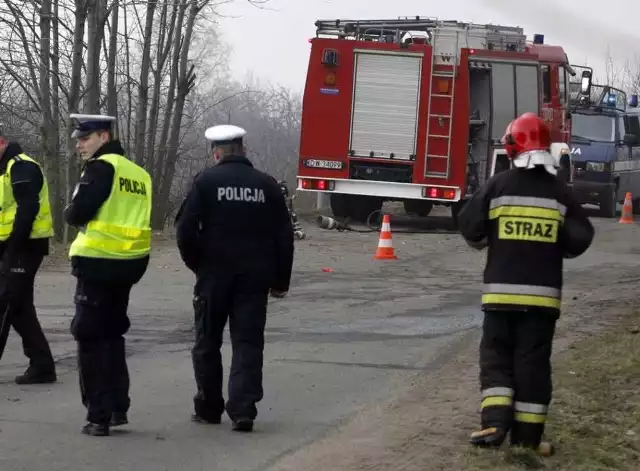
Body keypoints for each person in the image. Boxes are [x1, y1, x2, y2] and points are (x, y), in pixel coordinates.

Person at [457, 112, 594, 455]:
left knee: (496, 357)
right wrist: (555, 244)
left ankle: (495, 422)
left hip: (500, 296)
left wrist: (487, 238)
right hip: (542, 302)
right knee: (532, 364)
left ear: (512, 147)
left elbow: (468, 223)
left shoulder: (498, 185)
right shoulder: (561, 193)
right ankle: (527, 440)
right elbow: (581, 237)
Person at [175, 124, 294, 432]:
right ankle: (243, 410)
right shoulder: (267, 185)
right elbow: (284, 237)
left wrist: (197, 264)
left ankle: (209, 407)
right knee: (248, 342)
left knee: (207, 341)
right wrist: (281, 280)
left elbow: (185, 230)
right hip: (255, 278)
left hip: (213, 275)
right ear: (244, 150)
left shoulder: (205, 182)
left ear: (216, 153)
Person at [64, 114, 152, 437]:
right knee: (113, 334)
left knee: (88, 335)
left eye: (84, 138)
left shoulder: (102, 168)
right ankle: (118, 408)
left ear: (103, 136)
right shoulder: (139, 174)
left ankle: (98, 415)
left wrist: (70, 210)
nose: (79, 145)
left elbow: (78, 212)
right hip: (129, 263)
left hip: (98, 262)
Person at [0, 130, 56, 384]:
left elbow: (28, 209)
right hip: (9, 246)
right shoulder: (4, 170)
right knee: (20, 308)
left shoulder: (21, 167)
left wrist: (13, 248)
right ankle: (42, 364)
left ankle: (42, 364)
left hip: (25, 245)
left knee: (5, 301)